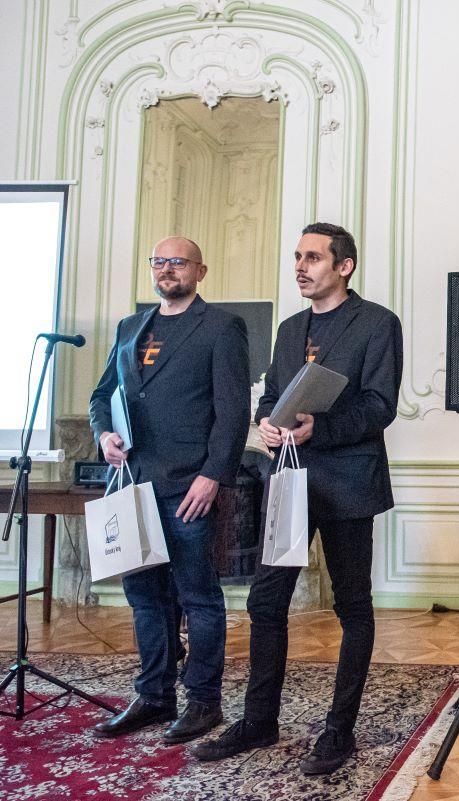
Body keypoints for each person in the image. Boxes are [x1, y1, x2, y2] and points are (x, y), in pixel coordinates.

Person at [195, 222, 403, 775]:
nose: (300, 267)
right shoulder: (290, 329)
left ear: (344, 265)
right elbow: (272, 395)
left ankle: (339, 731)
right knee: (266, 603)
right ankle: (258, 720)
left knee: (352, 606)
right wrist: (267, 422)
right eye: (297, 257)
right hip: (288, 482)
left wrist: (319, 428)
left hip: (349, 485)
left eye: (313, 257)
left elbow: (380, 405)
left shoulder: (378, 323)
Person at [89, 236, 250, 743]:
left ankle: (203, 702)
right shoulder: (130, 328)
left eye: (177, 262)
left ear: (200, 271)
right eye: (159, 261)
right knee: (144, 597)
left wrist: (213, 475)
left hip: (189, 487)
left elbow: (233, 411)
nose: (166, 269)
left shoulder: (222, 327)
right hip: (133, 487)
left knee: (198, 597)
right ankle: (154, 696)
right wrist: (104, 435)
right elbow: (102, 397)